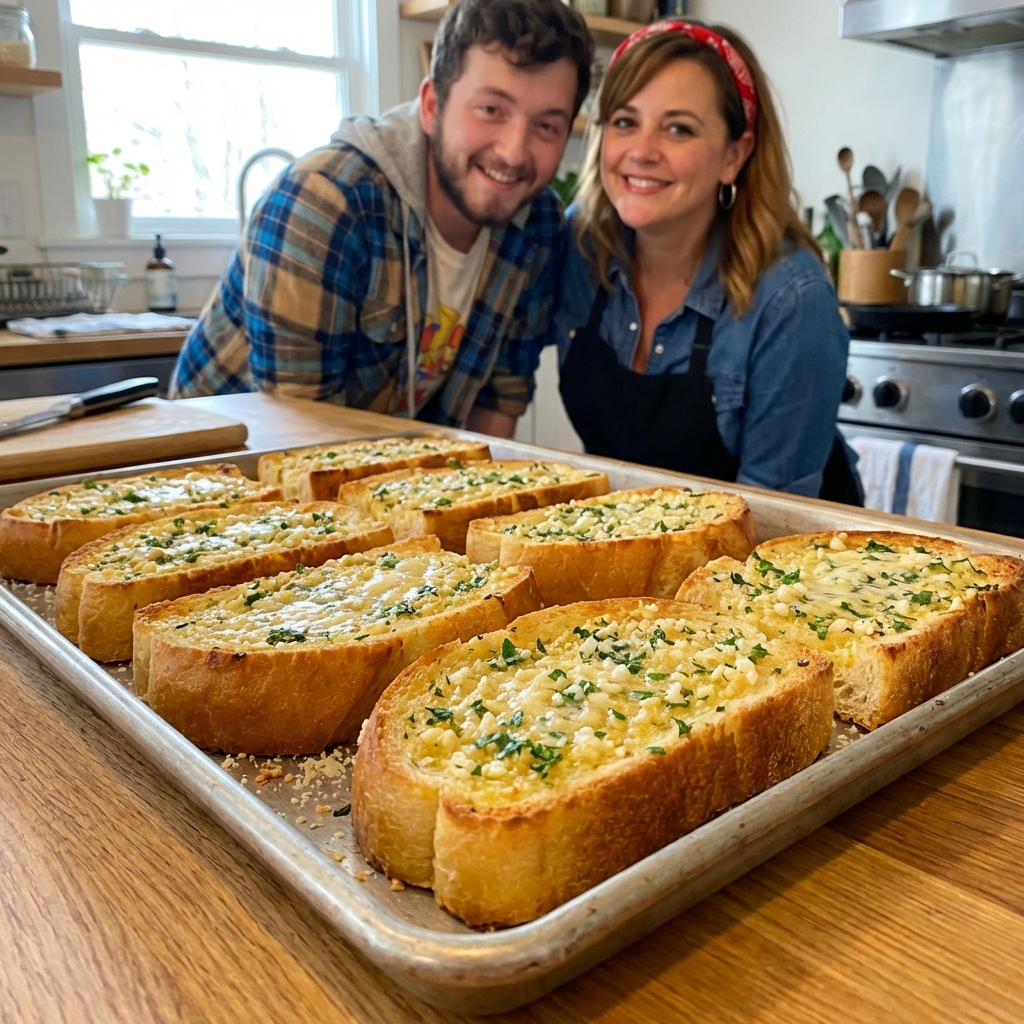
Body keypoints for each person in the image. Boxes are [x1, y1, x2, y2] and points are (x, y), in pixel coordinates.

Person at [170, 0, 594, 439]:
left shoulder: (538, 226)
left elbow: (500, 397)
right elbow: (300, 434)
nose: (513, 152)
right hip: (214, 471)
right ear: (431, 106)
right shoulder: (325, 202)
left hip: (389, 473)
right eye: (491, 109)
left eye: (547, 126)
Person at [554, 20, 861, 501]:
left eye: (679, 129)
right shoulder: (581, 243)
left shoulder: (791, 299)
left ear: (733, 156)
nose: (641, 151)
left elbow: (774, 518)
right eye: (625, 121)